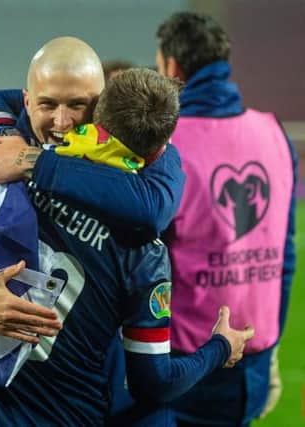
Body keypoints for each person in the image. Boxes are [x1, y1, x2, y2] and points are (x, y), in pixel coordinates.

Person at [0, 38, 252, 426]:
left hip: (87, 405)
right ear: (28, 102)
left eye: (78, 105)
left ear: (103, 108)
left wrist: (30, 159)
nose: (62, 123)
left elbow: (153, 208)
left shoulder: (134, 197)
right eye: (48, 105)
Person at [153, 12, 297, 426]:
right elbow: (284, 258)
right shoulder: (273, 133)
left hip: (189, 365)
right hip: (255, 354)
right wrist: (269, 347)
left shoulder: (168, 145)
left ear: (172, 67)